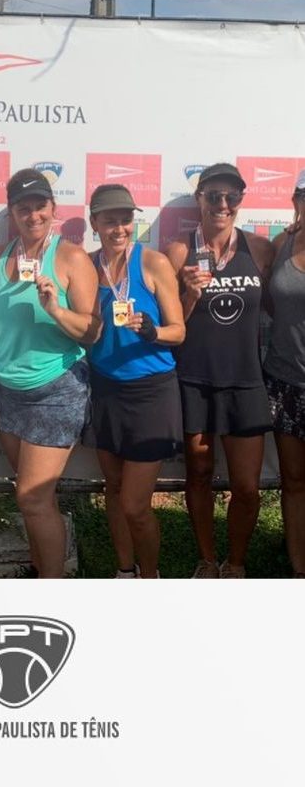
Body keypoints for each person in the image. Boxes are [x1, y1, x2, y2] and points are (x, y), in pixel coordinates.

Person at [0, 168, 100, 579]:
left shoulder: (71, 258)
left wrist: (55, 309)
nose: (32, 215)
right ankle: (40, 569)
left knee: (32, 498)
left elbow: (93, 331)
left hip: (56, 389)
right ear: (12, 212)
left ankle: (51, 590)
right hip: (7, 390)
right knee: (31, 496)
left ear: (53, 208)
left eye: (40, 206)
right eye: (23, 208)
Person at [165, 163, 273, 578]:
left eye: (232, 197)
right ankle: (207, 560)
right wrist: (190, 295)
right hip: (195, 380)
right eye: (214, 196)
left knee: (247, 486)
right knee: (199, 474)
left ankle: (237, 563)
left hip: (246, 381)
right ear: (200, 199)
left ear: (241, 201)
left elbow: (279, 306)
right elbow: (171, 325)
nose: (222, 204)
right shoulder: (178, 251)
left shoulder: (259, 249)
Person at [84, 184, 185, 579]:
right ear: (94, 223)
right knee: (113, 489)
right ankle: (125, 571)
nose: (120, 228)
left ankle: (150, 576)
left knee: (135, 504)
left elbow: (179, 331)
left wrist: (152, 332)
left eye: (126, 220)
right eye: (110, 220)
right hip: (106, 388)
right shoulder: (86, 267)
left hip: (150, 392)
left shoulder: (153, 262)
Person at [262, 170, 305, 577]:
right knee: (292, 482)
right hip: (285, 381)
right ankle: (298, 570)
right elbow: (273, 306)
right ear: (295, 200)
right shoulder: (281, 243)